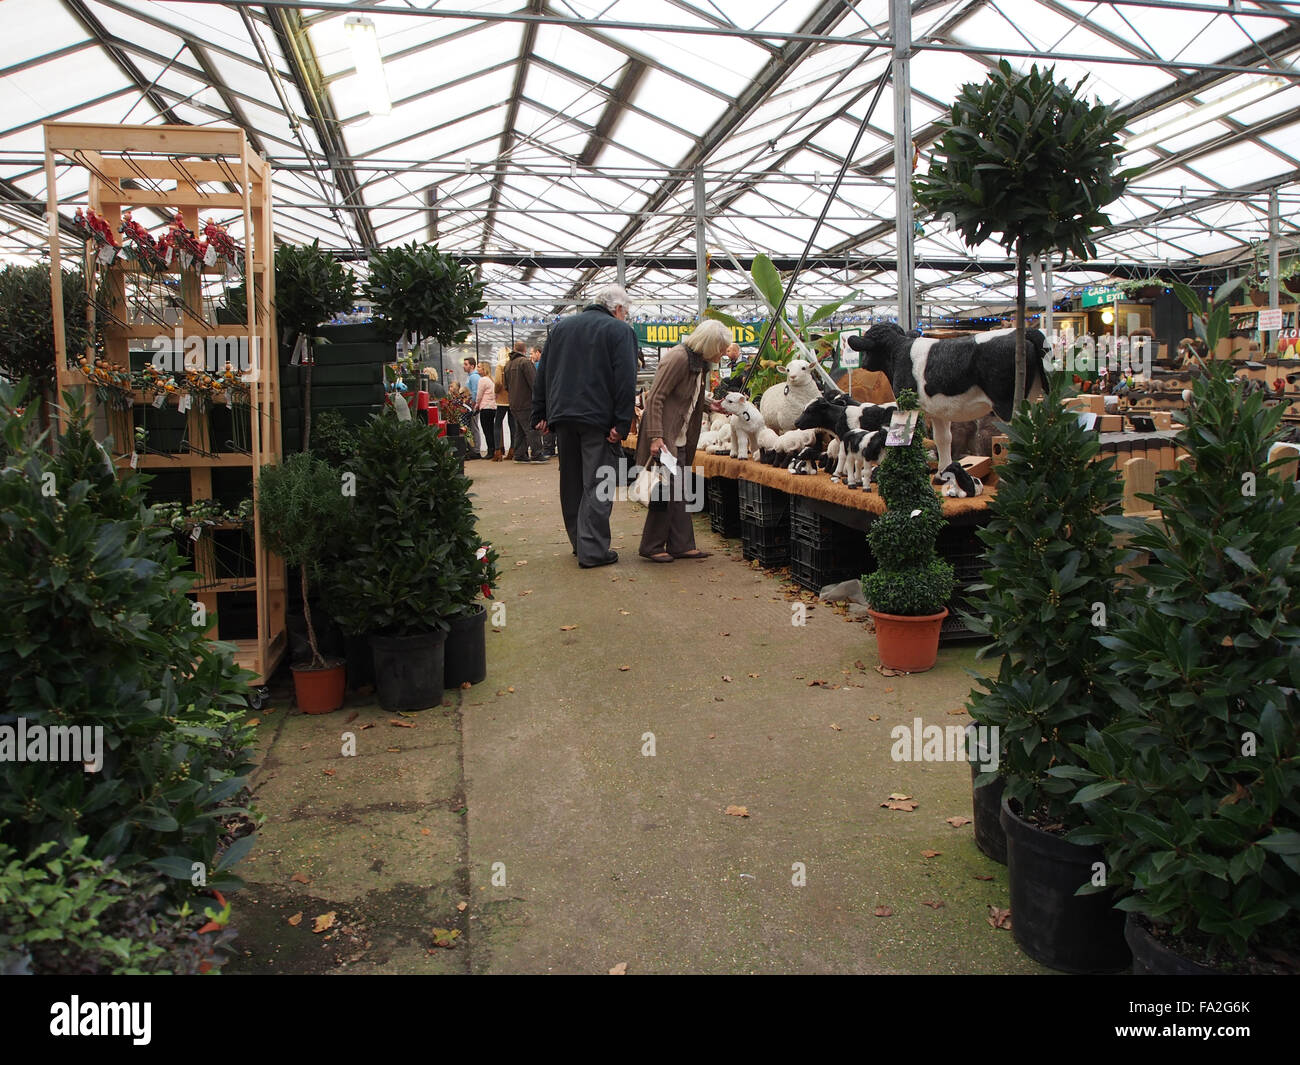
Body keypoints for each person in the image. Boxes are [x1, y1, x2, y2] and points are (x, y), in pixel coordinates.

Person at [532, 283, 638, 568]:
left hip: (563, 417)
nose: (625, 318)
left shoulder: (561, 329)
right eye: (625, 313)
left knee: (571, 481)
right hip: (598, 420)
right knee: (599, 482)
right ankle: (592, 551)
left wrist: (540, 412)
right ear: (617, 309)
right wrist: (622, 422)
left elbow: (544, 372)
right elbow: (626, 380)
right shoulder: (619, 331)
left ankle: (580, 542)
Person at [635, 319, 738, 562]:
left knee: (679, 490)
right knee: (666, 490)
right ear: (710, 344)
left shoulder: (698, 363)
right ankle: (651, 545)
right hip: (665, 437)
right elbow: (655, 399)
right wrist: (656, 437)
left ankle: (681, 544)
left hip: (679, 437)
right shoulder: (679, 359)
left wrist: (710, 405)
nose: (723, 353)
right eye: (721, 347)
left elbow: (688, 396)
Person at [504, 340, 545, 461]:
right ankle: (537, 454)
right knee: (532, 429)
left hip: (513, 402)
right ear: (525, 350)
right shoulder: (525, 363)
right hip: (526, 402)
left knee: (520, 430)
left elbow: (505, 386)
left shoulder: (508, 365)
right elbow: (534, 383)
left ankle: (520, 454)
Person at [530, 345, 556, 458]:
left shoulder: (540, 366)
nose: (531, 355)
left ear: (538, 352)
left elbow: (538, 386)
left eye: (532, 353)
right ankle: (549, 448)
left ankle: (548, 448)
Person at [492, 349, 515, 460]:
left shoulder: (500, 365)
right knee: (512, 425)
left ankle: (497, 451)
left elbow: (498, 382)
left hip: (501, 399)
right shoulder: (512, 364)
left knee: (497, 424)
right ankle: (512, 450)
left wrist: (496, 391)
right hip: (513, 398)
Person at [474, 362, 499, 459]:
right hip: (493, 407)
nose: (477, 368)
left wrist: (476, 405)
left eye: (479, 367)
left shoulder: (483, 380)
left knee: (487, 430)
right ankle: (493, 450)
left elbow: (479, 395)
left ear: (484, 369)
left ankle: (490, 451)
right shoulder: (491, 380)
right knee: (491, 429)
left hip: (485, 407)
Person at [462, 356, 483, 458]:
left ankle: (476, 450)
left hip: (473, 406)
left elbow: (475, 392)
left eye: (466, 364)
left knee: (474, 427)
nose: (464, 366)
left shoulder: (474, 377)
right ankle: (474, 449)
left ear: (472, 366)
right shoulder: (471, 376)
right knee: (472, 427)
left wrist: (474, 405)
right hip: (470, 406)